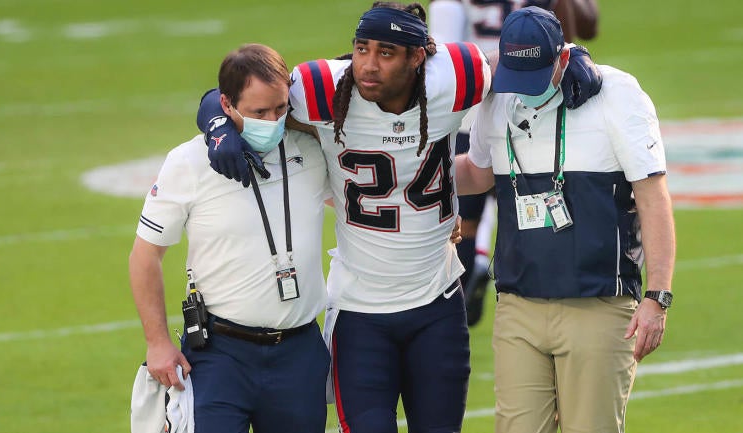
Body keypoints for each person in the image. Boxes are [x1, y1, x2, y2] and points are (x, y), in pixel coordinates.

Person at [197, 3, 601, 432]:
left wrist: (574, 55)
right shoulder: (324, 87)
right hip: (359, 312)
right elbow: (233, 93)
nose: (368, 64)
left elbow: (519, 56)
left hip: (437, 304)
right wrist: (217, 123)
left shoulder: (453, 76)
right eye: (361, 48)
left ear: (418, 57)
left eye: (386, 52)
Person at [455, 7, 675, 433]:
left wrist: (658, 296)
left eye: (535, 77)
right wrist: (409, 175)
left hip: (598, 305)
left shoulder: (619, 95)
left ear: (562, 58)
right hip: (518, 304)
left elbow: (653, 198)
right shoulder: (498, 93)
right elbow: (478, 173)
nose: (523, 90)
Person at [128, 44, 333, 433]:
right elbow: (144, 256)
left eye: (280, 109)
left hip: (299, 351)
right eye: (259, 112)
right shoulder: (189, 162)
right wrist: (157, 342)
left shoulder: (311, 150)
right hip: (219, 354)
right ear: (226, 104)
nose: (272, 121)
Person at [429, 0, 600, 327]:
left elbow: (444, 55)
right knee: (543, 209)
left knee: (468, 223)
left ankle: (464, 300)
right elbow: (586, 28)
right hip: (538, 103)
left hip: (478, 104)